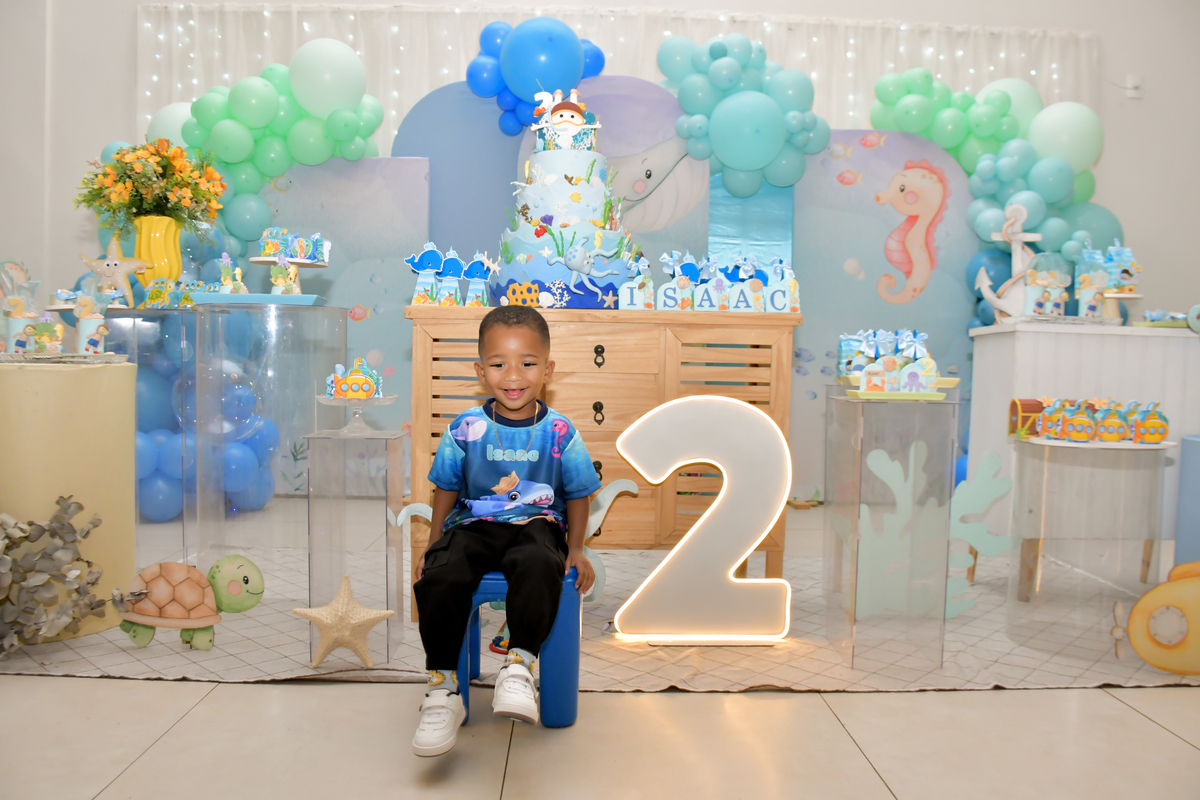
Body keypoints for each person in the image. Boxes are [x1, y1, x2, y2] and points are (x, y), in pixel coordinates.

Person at [412, 305, 599, 757]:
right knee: (440, 575)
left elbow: (578, 492)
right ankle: (443, 688)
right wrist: (434, 544)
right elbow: (446, 487)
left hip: (537, 525)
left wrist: (576, 548)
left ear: (547, 370)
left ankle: (519, 666)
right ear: (481, 371)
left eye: (527, 363)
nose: (513, 376)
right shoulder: (465, 428)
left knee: (537, 563)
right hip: (474, 524)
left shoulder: (560, 431)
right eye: (498, 364)